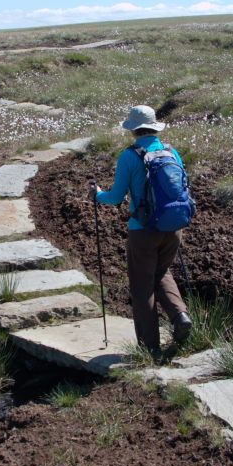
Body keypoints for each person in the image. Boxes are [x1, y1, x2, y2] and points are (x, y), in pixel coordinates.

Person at [88, 105, 192, 355]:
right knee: (161, 271)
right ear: (154, 127)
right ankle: (180, 314)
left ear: (133, 130)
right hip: (173, 227)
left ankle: (149, 348)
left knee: (142, 287)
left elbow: (115, 197)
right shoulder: (171, 152)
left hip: (142, 229)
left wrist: (97, 194)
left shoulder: (129, 156)